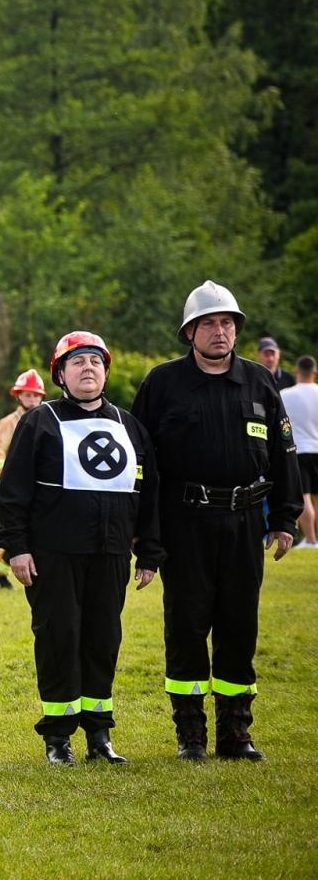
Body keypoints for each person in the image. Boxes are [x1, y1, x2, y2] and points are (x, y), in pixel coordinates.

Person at [131, 282, 300, 762]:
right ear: (190, 332)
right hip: (184, 522)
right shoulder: (162, 383)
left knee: (239, 625)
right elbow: (143, 462)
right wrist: (145, 530)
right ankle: (191, 737)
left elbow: (282, 452)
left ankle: (235, 734)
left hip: (246, 521)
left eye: (227, 323)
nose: (220, 331)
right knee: (186, 625)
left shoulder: (259, 381)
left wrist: (285, 517)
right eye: (209, 323)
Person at [0, 333, 163, 766]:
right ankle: (58, 738)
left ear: (105, 371)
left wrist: (149, 553)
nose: (88, 368)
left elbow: (148, 493)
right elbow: (13, 491)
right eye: (77, 362)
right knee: (59, 639)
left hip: (109, 553)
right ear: (60, 374)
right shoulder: (41, 421)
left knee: (103, 640)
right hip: (54, 555)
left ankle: (99, 735)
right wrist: (16, 546)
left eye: (95, 361)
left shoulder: (129, 426)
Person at [0, 369, 47, 590]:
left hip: (40, 487)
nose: (31, 399)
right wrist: (6, 474)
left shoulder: (47, 420)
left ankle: (1, 576)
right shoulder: (9, 422)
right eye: (27, 394)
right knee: (17, 529)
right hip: (16, 487)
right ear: (18, 396)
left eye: (35, 395)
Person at [281, 355, 318, 549]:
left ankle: (311, 540)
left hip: (300, 450)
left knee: (304, 496)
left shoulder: (286, 395)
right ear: (315, 372)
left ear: (297, 372)